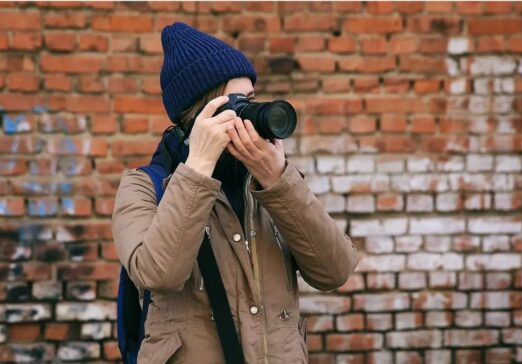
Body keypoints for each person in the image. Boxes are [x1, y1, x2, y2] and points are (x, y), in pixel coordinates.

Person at [112, 22, 359, 364]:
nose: (249, 114)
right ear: (198, 116)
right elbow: (159, 274)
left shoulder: (270, 184)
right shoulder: (145, 187)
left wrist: (279, 181)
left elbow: (336, 271)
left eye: (251, 100)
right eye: (236, 104)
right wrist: (198, 165)